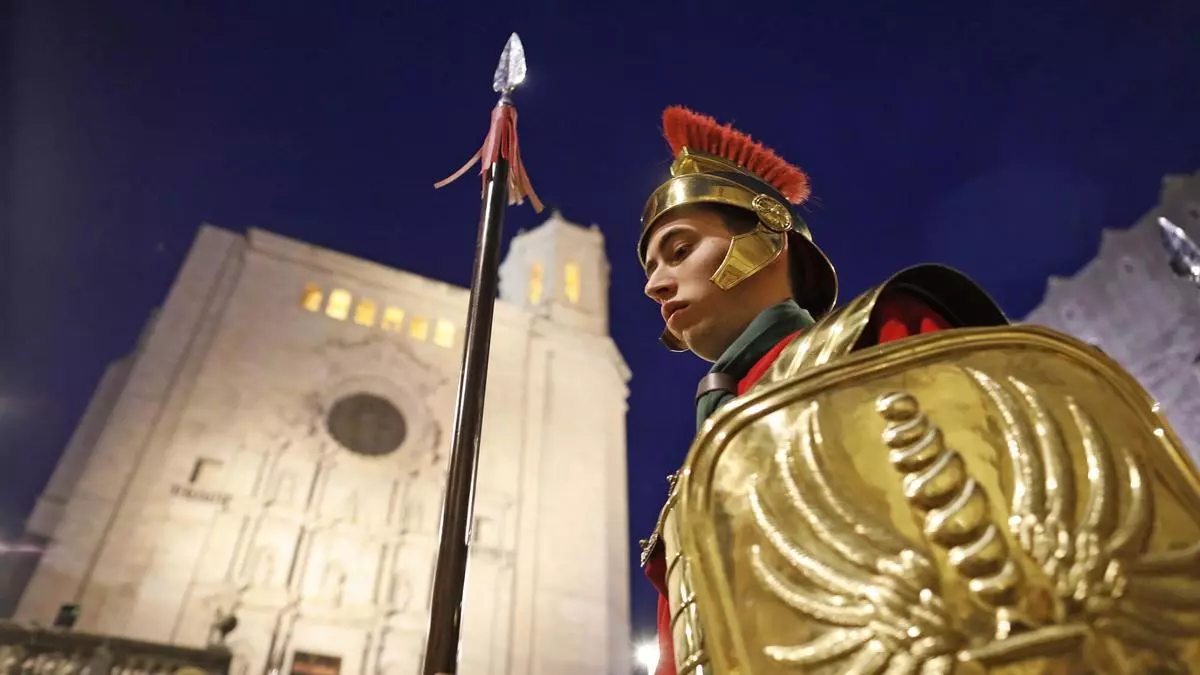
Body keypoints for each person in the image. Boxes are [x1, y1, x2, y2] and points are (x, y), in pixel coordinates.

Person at [636, 106, 1008, 675]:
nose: (655, 285)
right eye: (652, 267)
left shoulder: (881, 340)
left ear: (766, 235)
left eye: (680, 250)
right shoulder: (688, 484)